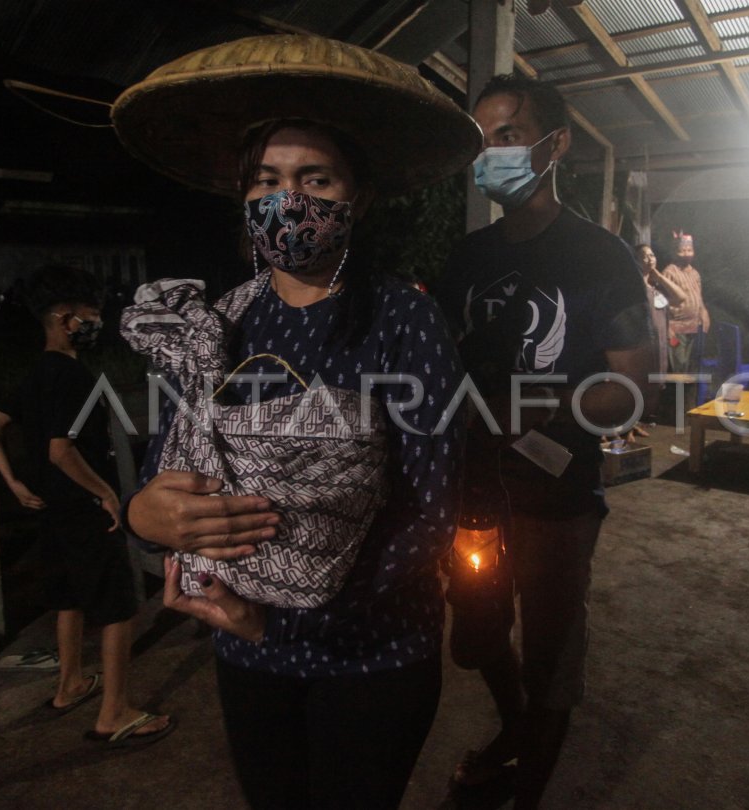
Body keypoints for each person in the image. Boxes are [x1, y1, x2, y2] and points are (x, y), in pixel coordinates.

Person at [112, 34, 478, 809]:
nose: (290, 200)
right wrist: (146, 516)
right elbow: (168, 467)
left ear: (359, 196)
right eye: (268, 181)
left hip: (372, 656)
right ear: (245, 201)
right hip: (246, 656)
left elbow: (428, 513)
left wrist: (279, 624)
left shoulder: (404, 321)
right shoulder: (223, 323)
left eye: (316, 178)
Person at [436, 74, 653, 810]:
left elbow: (631, 390)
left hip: (557, 497)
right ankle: (518, 727)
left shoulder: (601, 257)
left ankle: (527, 786)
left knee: (551, 649)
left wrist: (532, 405)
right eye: (480, 140)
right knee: (477, 636)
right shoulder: (466, 259)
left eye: (507, 135)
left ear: (553, 145)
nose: (490, 153)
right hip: (473, 493)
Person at [0, 265, 174, 746]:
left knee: (67, 599)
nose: (97, 322)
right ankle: (115, 712)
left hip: (47, 507)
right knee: (118, 607)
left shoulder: (35, 373)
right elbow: (61, 450)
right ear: (65, 320)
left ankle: (70, 684)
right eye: (92, 314)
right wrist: (106, 494)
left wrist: (15, 483)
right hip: (84, 509)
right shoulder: (73, 377)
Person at [636, 242, 684, 418]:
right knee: (640, 384)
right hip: (643, 346)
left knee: (655, 385)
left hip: (660, 346)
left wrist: (658, 276)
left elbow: (680, 297)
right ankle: (631, 423)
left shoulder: (655, 289)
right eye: (644, 256)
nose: (649, 259)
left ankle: (642, 420)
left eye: (652, 255)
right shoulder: (635, 289)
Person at [662, 230, 710, 373]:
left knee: (692, 365)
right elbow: (661, 301)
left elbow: (699, 298)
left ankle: (688, 395)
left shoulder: (695, 273)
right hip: (676, 330)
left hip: (695, 328)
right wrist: (667, 328)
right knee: (679, 364)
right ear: (675, 252)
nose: (687, 254)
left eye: (690, 250)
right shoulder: (669, 272)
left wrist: (704, 314)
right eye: (682, 251)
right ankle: (676, 395)